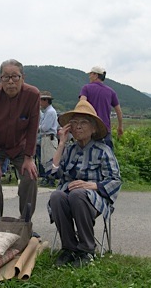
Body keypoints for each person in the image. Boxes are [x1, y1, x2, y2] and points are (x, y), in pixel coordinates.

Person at [47, 100, 121, 268]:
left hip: (93, 201)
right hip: (69, 198)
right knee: (57, 195)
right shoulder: (70, 149)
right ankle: (69, 248)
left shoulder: (103, 150)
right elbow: (54, 172)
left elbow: (115, 180)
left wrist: (91, 186)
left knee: (78, 193)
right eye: (74, 123)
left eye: (83, 123)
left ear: (94, 128)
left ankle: (87, 250)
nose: (78, 127)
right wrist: (61, 144)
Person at [0, 59, 40, 219]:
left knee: (30, 178)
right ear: (0, 78)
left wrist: (29, 158)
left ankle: (25, 222)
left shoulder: (33, 94)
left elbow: (33, 129)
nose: (10, 82)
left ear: (23, 77)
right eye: (6, 77)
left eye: (15, 77)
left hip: (20, 147)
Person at [79, 66, 123, 149]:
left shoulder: (86, 88)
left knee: (87, 157)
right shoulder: (111, 91)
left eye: (91, 74)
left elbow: (82, 104)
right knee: (107, 157)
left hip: (89, 129)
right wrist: (120, 127)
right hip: (105, 130)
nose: (89, 76)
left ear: (96, 75)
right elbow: (119, 111)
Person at [39, 91, 58, 187]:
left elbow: (45, 127)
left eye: (41, 100)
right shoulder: (48, 112)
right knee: (45, 159)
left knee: (49, 159)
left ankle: (51, 179)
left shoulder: (50, 112)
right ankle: (48, 178)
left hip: (49, 137)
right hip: (46, 137)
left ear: (46, 100)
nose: (40, 103)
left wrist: (37, 127)